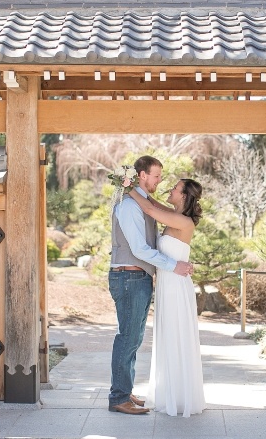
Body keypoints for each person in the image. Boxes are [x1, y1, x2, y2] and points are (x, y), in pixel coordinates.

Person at [108, 155, 194, 416]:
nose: (161, 181)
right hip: (129, 277)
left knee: (134, 339)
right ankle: (118, 397)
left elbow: (153, 209)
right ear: (142, 175)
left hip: (139, 277)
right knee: (128, 338)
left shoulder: (142, 203)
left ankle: (125, 390)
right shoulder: (129, 206)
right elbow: (139, 248)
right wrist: (173, 265)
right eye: (156, 176)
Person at [129, 178, 206, 417]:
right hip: (167, 284)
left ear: (183, 196)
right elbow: (152, 202)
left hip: (175, 287)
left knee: (175, 336)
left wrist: (128, 188)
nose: (170, 189)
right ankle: (170, 393)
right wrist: (136, 187)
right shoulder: (174, 215)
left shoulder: (182, 220)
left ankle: (179, 397)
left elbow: (150, 209)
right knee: (168, 337)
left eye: (175, 187)